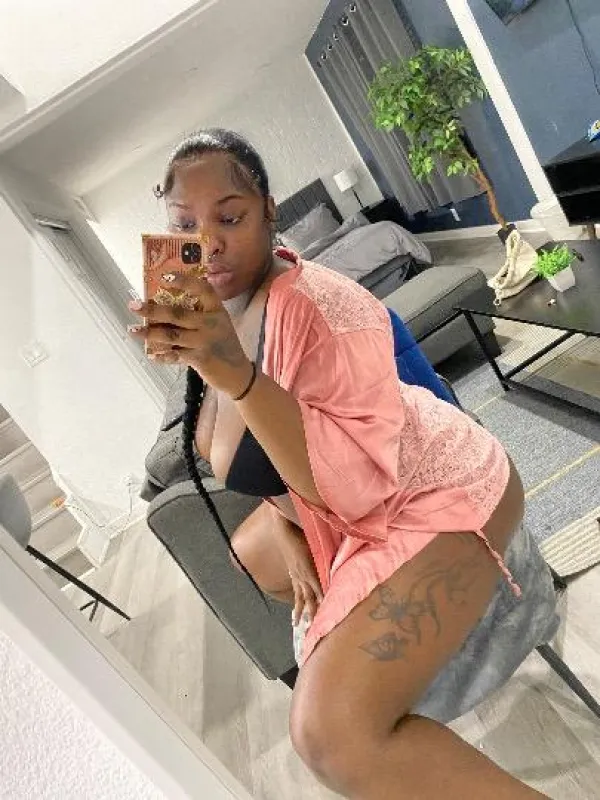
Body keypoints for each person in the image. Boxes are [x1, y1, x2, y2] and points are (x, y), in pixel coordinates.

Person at [129, 128, 558, 799]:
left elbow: (355, 486)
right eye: (185, 225)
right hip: (343, 506)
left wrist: (234, 373)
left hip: (433, 488)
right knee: (252, 553)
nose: (207, 242)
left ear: (269, 213)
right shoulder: (225, 318)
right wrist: (284, 523)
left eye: (230, 218)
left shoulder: (322, 309)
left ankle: (392, 721)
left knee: (330, 735)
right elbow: (255, 455)